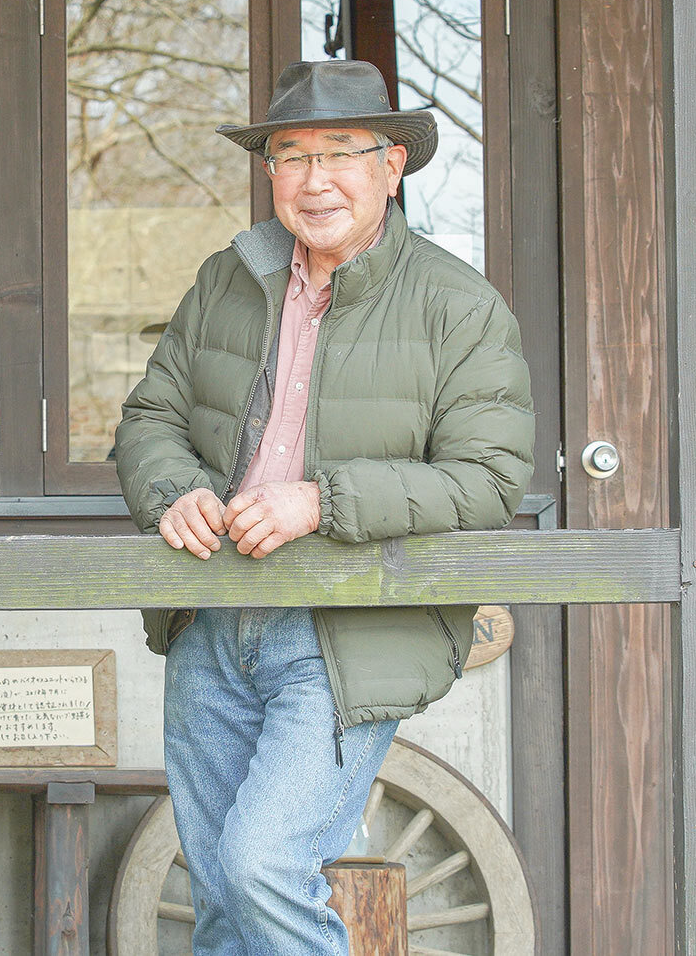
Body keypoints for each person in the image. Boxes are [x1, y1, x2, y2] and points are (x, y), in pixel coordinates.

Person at [114, 59, 533, 956]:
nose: (316, 179)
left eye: (343, 152)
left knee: (264, 865)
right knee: (223, 892)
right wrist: (172, 491)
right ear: (270, 173)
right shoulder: (228, 280)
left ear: (393, 165)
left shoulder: (459, 305)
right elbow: (151, 415)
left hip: (346, 632)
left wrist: (323, 500)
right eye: (293, 155)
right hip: (210, 619)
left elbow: (491, 479)